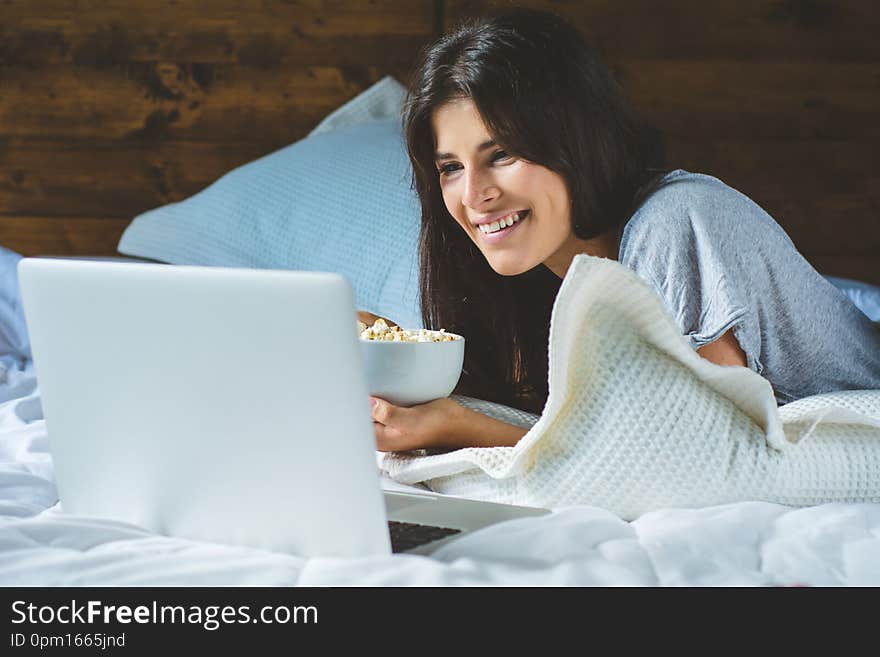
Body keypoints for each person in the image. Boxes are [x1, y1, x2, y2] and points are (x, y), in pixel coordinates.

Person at [364, 8, 880, 453]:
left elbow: (709, 453)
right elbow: (605, 436)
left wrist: (463, 429)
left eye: (501, 154)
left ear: (574, 141)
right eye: (450, 167)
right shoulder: (538, 280)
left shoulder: (677, 220)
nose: (474, 195)